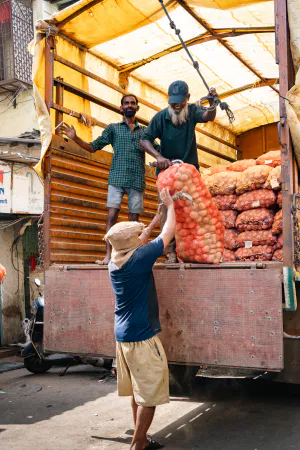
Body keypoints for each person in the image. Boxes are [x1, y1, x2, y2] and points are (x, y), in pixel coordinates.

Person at [105, 188, 175, 450]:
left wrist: (157, 215)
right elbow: (167, 236)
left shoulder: (116, 260)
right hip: (142, 336)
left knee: (138, 390)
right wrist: (171, 207)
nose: (141, 236)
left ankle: (141, 437)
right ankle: (138, 444)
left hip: (122, 337)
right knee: (150, 394)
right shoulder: (140, 260)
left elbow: (142, 238)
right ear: (133, 244)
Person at [59, 94, 159, 264]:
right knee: (111, 216)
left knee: (133, 221)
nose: (129, 105)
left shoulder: (145, 132)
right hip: (116, 179)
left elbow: (157, 149)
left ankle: (130, 256)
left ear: (137, 108)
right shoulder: (113, 129)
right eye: (126, 103)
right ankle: (108, 256)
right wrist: (75, 138)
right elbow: (92, 147)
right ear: (121, 108)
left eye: (132, 103)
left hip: (137, 180)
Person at [140, 80, 218, 263]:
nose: (176, 105)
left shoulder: (192, 111)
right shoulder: (160, 117)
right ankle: (171, 253)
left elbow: (209, 116)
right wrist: (158, 156)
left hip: (190, 173)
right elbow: (144, 140)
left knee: (193, 210)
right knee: (167, 210)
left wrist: (214, 103)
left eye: (180, 101)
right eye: (172, 102)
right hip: (167, 175)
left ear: (187, 98)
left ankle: (194, 251)